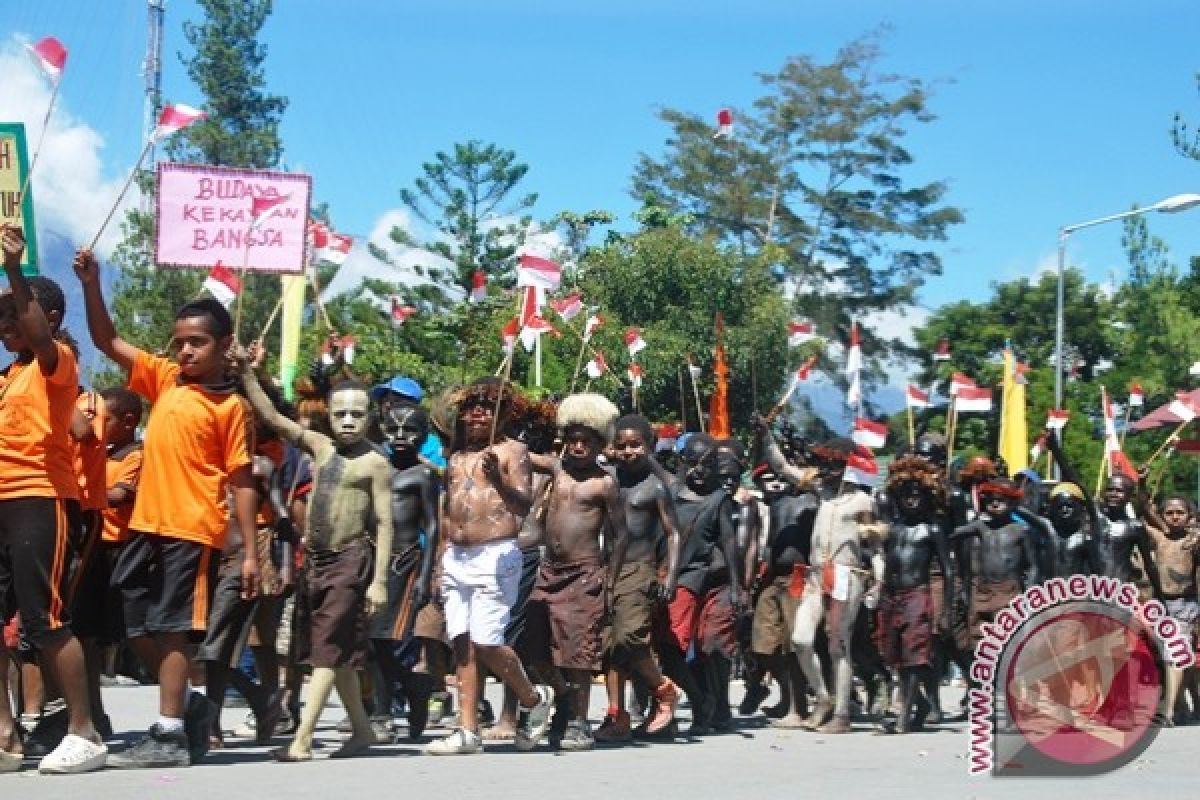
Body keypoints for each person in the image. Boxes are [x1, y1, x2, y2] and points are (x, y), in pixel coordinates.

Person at [74, 248, 261, 768]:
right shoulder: (165, 380)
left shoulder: (231, 408)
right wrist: (91, 284)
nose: (184, 352)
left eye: (196, 343)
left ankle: (170, 732)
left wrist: (247, 551)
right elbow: (106, 341)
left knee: (171, 625)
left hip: (190, 528)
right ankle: (195, 701)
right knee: (138, 625)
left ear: (225, 346)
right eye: (179, 343)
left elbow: (243, 480)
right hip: (144, 525)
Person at [237, 353, 394, 762]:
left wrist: (378, 581)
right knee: (334, 652)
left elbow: (384, 524)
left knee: (326, 650)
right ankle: (361, 731)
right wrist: (246, 373)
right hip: (317, 562)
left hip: (350, 561)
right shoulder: (319, 447)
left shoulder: (376, 463)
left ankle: (302, 739)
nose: (347, 421)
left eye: (356, 415)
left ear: (368, 417)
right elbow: (272, 417)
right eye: (340, 413)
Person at [0, 227, 107, 774]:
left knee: (43, 619)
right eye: (1, 315)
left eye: (16, 312)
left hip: (40, 499)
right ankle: (6, 737)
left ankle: (84, 733)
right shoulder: (6, 377)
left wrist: (15, 272)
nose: (7, 323)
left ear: (46, 318)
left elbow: (40, 339)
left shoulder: (56, 361)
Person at [426, 379, 553, 755]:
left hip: (495, 555)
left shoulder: (513, 452)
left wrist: (498, 477)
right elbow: (449, 514)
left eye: (486, 406)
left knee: (486, 641)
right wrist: (440, 560)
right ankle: (467, 730)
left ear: (504, 413)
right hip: (457, 557)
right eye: (471, 407)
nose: (478, 413)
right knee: (461, 642)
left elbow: (522, 506)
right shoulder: (456, 457)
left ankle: (533, 698)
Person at [523, 393, 629, 751]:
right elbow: (525, 456)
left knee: (578, 654)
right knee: (535, 648)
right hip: (549, 573)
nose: (579, 447)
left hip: (585, 574)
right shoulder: (556, 469)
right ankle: (563, 697)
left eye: (587, 441)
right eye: (573, 440)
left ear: (600, 445)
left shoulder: (604, 484)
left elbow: (621, 535)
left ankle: (579, 722)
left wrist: (609, 581)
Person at [596, 414, 682, 743]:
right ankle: (616, 715)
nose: (629, 451)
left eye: (636, 445)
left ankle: (663, 689)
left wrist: (670, 577)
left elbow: (674, 534)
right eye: (622, 446)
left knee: (629, 638)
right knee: (609, 646)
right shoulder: (607, 480)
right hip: (607, 569)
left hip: (640, 569)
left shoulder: (656, 487)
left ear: (649, 446)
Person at [661, 433, 746, 735]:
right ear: (682, 463)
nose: (701, 470)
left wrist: (737, 586)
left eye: (708, 464)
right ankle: (691, 704)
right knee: (670, 646)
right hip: (671, 578)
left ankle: (713, 704)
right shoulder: (668, 491)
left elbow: (729, 542)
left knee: (709, 644)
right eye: (694, 463)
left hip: (706, 581)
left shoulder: (718, 500)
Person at [369, 402, 439, 741]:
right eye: (393, 429)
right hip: (372, 563)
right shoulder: (376, 468)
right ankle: (408, 691)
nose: (400, 437)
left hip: (405, 561)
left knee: (388, 640)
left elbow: (433, 525)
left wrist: (426, 575)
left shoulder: (422, 475)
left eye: (409, 430)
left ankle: (392, 707)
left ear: (423, 436)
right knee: (372, 642)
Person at [874, 456, 954, 734]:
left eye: (917, 496)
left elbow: (948, 571)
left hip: (917, 594)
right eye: (906, 496)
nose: (911, 501)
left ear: (926, 499)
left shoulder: (932, 530)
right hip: (890, 594)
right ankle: (918, 704)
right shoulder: (893, 528)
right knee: (892, 655)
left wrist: (947, 610)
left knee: (914, 657)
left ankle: (904, 716)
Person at [748, 464, 817, 728]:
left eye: (782, 478)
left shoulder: (812, 502)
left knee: (793, 646)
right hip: (772, 579)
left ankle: (798, 707)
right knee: (763, 644)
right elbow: (768, 546)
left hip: (799, 578)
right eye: (772, 480)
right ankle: (787, 696)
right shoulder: (777, 505)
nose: (777, 483)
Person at [953, 478, 1042, 655]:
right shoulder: (980, 527)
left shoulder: (1020, 530)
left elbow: (1033, 565)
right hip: (982, 591)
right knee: (979, 640)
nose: (994, 503)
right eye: (991, 499)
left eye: (1001, 499)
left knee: (1008, 639)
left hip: (1009, 590)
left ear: (1012, 502)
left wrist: (1028, 592)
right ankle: (984, 678)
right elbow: (955, 533)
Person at [1145, 496, 1199, 724]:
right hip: (1161, 605)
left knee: (1174, 655)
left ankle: (1167, 712)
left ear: (1189, 517)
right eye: (1170, 513)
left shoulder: (1194, 541)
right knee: (1177, 659)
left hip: (1186, 604)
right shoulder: (1158, 538)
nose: (1175, 517)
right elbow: (1143, 509)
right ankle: (1186, 705)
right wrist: (1141, 484)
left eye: (1180, 513)